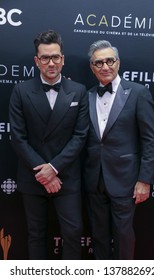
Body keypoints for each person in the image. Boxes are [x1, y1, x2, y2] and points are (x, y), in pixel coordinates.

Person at [9, 30, 89, 260]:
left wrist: (53, 168)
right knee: (36, 234)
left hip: (66, 176)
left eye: (55, 57)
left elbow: (80, 136)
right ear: (37, 61)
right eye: (45, 58)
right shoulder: (21, 91)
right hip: (33, 176)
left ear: (63, 59)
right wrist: (43, 172)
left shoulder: (79, 91)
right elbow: (18, 137)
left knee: (73, 233)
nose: (51, 63)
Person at [84, 40, 154, 260]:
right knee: (98, 236)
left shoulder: (138, 93)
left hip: (126, 180)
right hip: (94, 179)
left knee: (124, 235)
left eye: (110, 61)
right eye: (99, 62)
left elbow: (150, 139)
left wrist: (145, 180)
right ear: (92, 67)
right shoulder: (87, 95)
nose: (105, 66)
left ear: (118, 63)